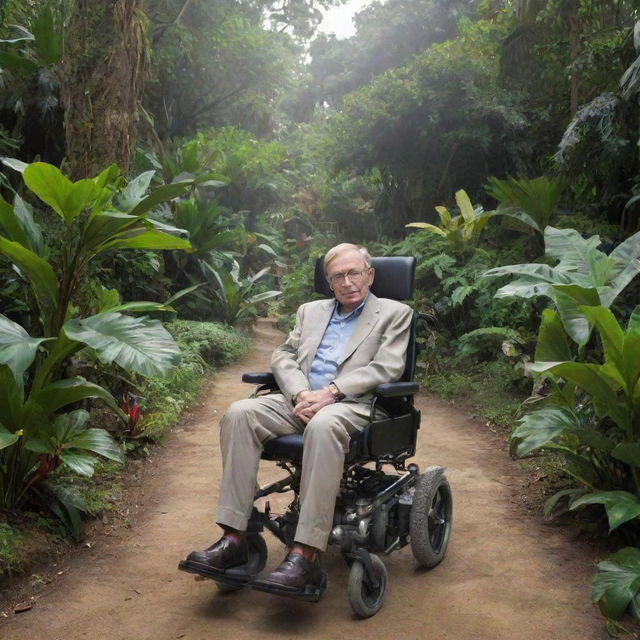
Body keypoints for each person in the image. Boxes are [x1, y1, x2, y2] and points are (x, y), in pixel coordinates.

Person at [182, 243, 413, 598]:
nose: (347, 281)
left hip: (356, 405)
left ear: (370, 274)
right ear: (329, 282)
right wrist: (300, 393)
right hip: (302, 400)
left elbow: (387, 367)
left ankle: (305, 555)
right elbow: (284, 355)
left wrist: (331, 393)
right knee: (239, 413)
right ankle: (234, 536)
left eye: (354, 272)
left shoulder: (395, 313)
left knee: (323, 424)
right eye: (338, 276)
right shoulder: (311, 311)